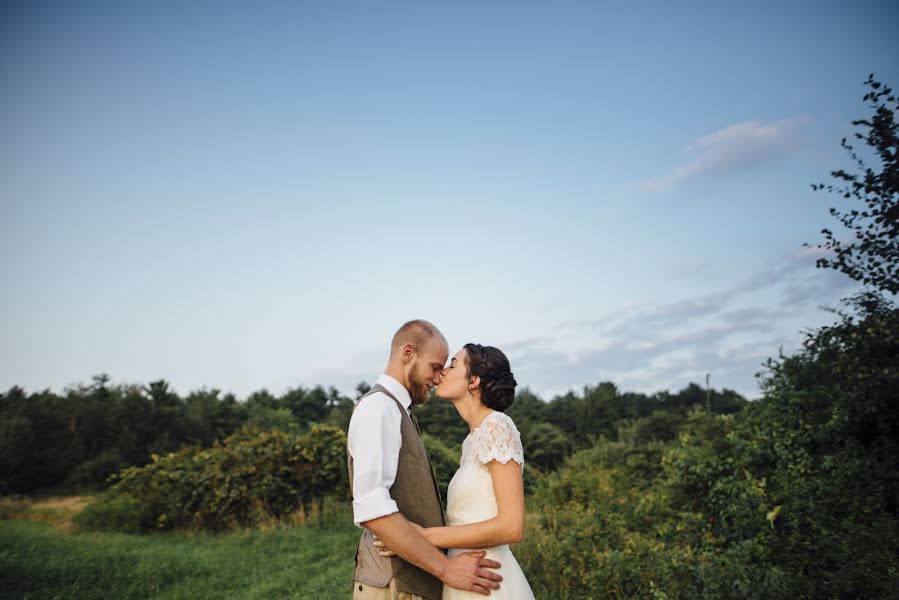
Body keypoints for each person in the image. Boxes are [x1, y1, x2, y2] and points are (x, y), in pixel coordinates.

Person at [347, 321, 504, 600]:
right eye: (434, 367)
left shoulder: (400, 411)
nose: (438, 376)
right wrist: (447, 569)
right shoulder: (379, 407)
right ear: (408, 353)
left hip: (410, 585)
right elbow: (372, 508)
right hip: (393, 586)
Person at [375, 343, 535, 599]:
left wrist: (424, 537)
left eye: (452, 365)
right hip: (463, 576)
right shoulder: (472, 439)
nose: (441, 373)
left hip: (487, 577)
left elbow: (511, 526)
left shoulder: (498, 427)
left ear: (473, 381)